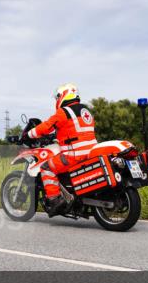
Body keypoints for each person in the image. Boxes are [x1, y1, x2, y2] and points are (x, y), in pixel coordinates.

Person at [26, 83, 97, 215]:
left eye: (57, 97)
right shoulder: (85, 110)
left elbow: (46, 126)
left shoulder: (64, 112)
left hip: (74, 154)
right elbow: (76, 130)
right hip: (92, 152)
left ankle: (54, 200)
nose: (57, 100)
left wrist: (29, 134)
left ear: (63, 95)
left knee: (46, 167)